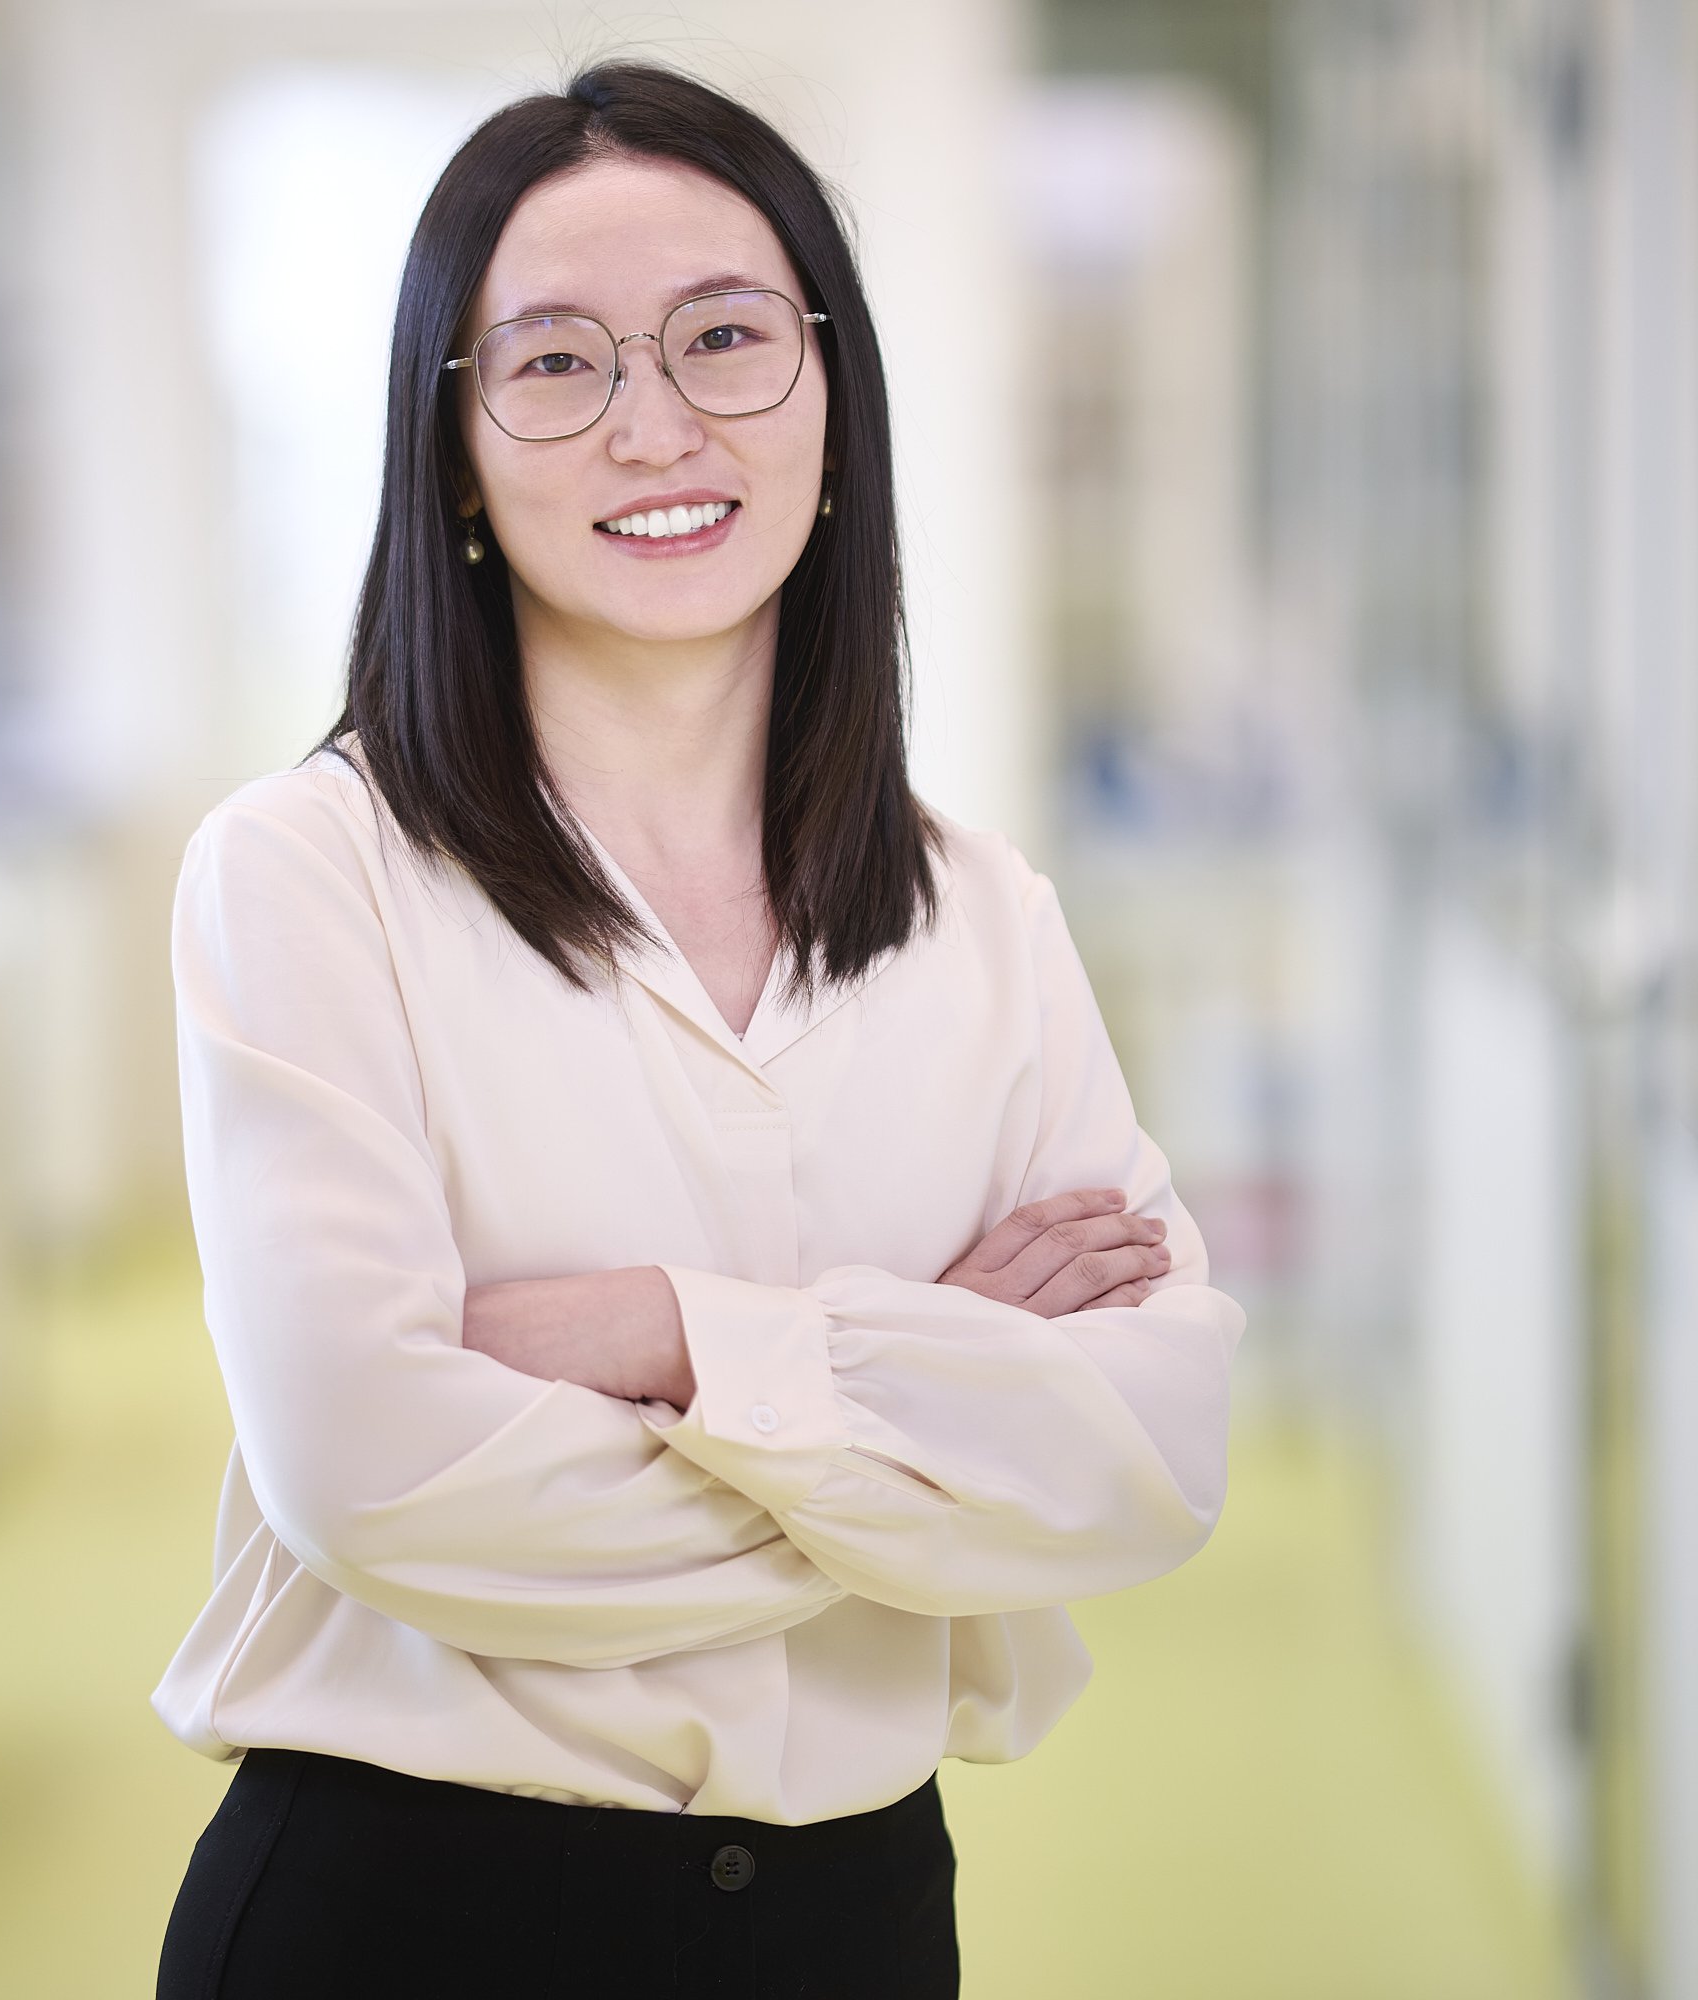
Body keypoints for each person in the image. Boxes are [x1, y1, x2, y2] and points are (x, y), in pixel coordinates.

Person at [153, 55, 1246, 1999]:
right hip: (406, 1917)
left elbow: (1151, 1449)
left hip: (858, 1921)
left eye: (723, 336)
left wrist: (650, 1333)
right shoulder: (305, 879)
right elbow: (375, 1479)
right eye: (556, 363)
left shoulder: (981, 920)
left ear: (832, 395)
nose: (653, 424)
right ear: (455, 454)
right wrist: (921, 1436)